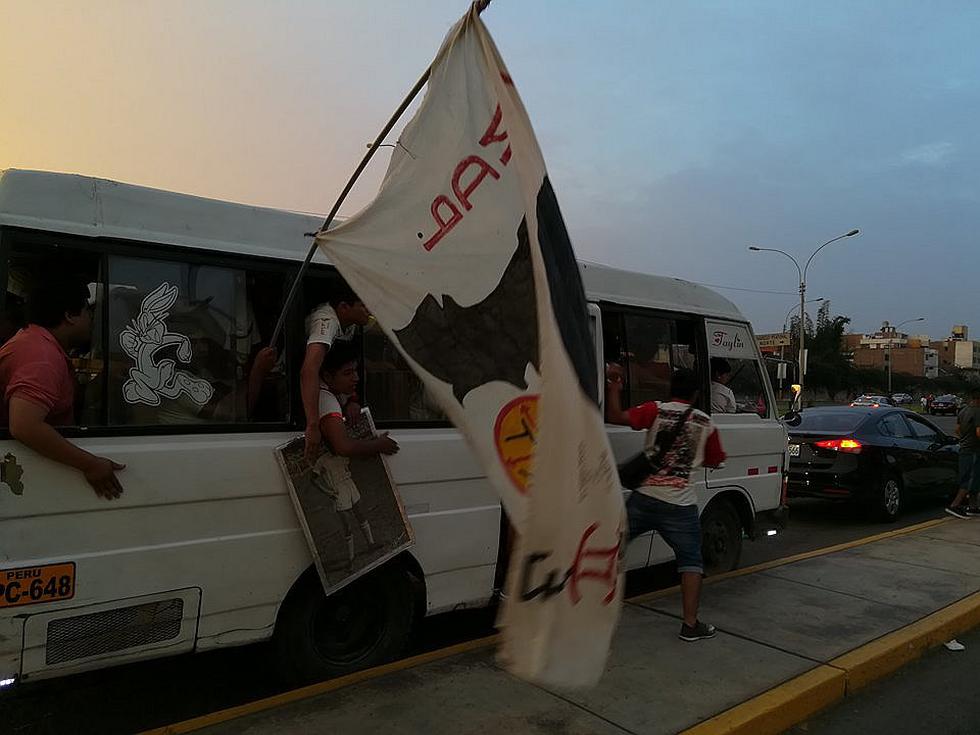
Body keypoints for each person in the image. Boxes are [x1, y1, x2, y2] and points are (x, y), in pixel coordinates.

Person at [605, 364, 726, 642]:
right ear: (695, 394)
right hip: (680, 506)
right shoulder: (705, 423)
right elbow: (716, 459)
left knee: (611, 548)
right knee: (691, 562)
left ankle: (588, 610)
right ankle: (690, 625)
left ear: (671, 389)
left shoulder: (655, 410)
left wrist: (615, 387)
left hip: (644, 497)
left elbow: (615, 416)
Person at [0, 274, 125, 500]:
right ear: (69, 315)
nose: (91, 320)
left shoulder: (39, 344)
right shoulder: (41, 356)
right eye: (87, 312)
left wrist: (105, 380)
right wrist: (90, 464)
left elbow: (61, 403)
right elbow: (24, 425)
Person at [313, 345, 399, 571]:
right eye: (348, 373)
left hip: (346, 480)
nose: (356, 378)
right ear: (328, 376)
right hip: (338, 484)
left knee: (359, 512)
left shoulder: (331, 390)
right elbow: (342, 446)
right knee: (348, 522)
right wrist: (378, 445)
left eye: (356, 371)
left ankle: (369, 544)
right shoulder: (326, 400)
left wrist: (352, 400)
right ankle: (350, 558)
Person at [301, 284, 372, 460]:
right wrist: (312, 426)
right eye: (363, 305)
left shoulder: (352, 323)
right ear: (344, 307)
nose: (369, 310)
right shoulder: (326, 321)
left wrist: (353, 398)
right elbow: (309, 369)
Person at [945, 389, 980, 519]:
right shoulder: (978, 412)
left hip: (964, 448)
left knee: (974, 479)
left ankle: (973, 506)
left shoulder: (963, 411)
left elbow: (957, 429)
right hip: (974, 450)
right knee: (970, 479)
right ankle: (954, 505)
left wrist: (965, 438)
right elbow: (978, 432)